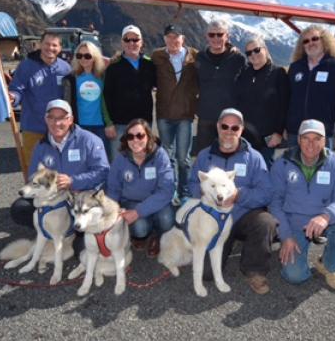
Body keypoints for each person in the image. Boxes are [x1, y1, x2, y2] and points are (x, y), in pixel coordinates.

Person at [188, 108, 277, 295]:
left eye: (235, 127)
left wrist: (239, 195)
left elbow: (266, 192)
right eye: (225, 126)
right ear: (218, 127)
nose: (229, 131)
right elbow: (192, 183)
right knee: (206, 274)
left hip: (242, 214)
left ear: (241, 130)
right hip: (214, 219)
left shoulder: (254, 158)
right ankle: (224, 244)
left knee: (265, 221)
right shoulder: (205, 156)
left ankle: (255, 270)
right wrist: (207, 196)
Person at [269, 119, 335, 291]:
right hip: (295, 224)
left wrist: (326, 216)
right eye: (306, 138)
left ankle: (328, 264)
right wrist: (285, 236)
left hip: (324, 220)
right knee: (295, 276)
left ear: (325, 141)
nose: (311, 144)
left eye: (317, 138)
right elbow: (274, 202)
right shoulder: (282, 164)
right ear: (298, 140)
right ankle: (293, 251)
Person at [10, 99, 110, 232]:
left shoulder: (90, 140)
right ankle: (52, 231)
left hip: (81, 197)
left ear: (71, 119)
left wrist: (73, 181)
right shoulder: (41, 146)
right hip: (53, 198)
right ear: (46, 119)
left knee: (82, 240)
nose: (56, 123)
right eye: (51, 118)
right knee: (20, 207)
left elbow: (103, 171)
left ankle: (73, 231)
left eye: (62, 118)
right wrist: (48, 190)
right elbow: (32, 176)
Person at [106, 119, 175, 258]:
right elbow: (113, 189)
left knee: (167, 220)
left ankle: (157, 236)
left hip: (156, 202)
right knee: (140, 228)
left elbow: (167, 190)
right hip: (131, 202)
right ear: (126, 140)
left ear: (148, 136)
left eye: (140, 135)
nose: (135, 140)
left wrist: (138, 212)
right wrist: (112, 212)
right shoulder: (121, 159)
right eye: (130, 136)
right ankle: (138, 235)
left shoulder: (160, 155)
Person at [8, 32, 72, 170]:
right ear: (40, 45)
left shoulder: (65, 68)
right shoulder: (26, 66)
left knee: (58, 169)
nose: (50, 48)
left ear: (60, 48)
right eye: (47, 44)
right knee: (33, 168)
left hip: (59, 129)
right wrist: (13, 97)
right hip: (33, 127)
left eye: (54, 45)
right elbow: (17, 88)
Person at [286, 25, 335, 151]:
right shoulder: (295, 67)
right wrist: (283, 127)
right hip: (295, 133)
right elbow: (286, 99)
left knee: (321, 170)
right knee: (293, 169)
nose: (310, 43)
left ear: (324, 40)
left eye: (315, 39)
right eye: (306, 41)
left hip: (322, 134)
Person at [151, 24, 199, 205]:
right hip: (164, 114)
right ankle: (170, 191)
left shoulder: (194, 57)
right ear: (164, 39)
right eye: (169, 37)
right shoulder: (157, 56)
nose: (173, 40)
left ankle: (184, 191)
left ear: (183, 38)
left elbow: (213, 60)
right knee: (167, 157)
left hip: (185, 115)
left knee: (183, 158)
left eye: (176, 37)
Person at [234, 34, 289, 167]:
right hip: (245, 135)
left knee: (264, 170)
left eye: (257, 50)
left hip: (267, 136)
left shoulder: (278, 73)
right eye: (249, 52)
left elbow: (284, 106)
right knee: (244, 169)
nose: (253, 54)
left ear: (265, 50)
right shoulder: (244, 74)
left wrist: (278, 133)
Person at [103, 25, 156, 161]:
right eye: (127, 40)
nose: (131, 43)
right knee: (118, 161)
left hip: (144, 123)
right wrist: (108, 124)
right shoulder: (113, 67)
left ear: (141, 42)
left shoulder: (149, 64)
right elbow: (106, 96)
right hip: (119, 124)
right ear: (122, 42)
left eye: (135, 39)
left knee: (142, 160)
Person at [194, 19, 245, 154]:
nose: (215, 38)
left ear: (227, 36)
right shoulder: (199, 57)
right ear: (206, 36)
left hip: (229, 121)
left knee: (230, 155)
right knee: (204, 156)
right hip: (206, 117)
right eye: (212, 35)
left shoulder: (238, 59)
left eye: (220, 34)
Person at [62, 41, 116, 156]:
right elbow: (67, 104)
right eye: (79, 55)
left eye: (87, 56)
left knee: (102, 160)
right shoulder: (71, 79)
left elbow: (108, 101)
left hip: (100, 126)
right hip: (79, 127)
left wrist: (109, 123)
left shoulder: (103, 76)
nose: (83, 59)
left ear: (95, 57)